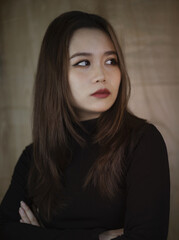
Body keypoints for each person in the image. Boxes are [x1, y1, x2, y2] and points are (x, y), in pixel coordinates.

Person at [0, 11, 170, 240]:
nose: (101, 75)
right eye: (83, 63)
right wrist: (98, 237)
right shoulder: (34, 157)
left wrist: (39, 235)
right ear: (54, 75)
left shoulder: (142, 141)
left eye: (111, 61)